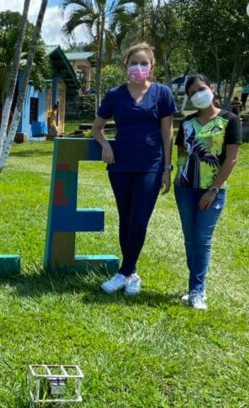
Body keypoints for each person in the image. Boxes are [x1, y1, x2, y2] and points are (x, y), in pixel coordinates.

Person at [92, 42, 176, 296]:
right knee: (126, 219)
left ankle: (123, 272)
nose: (138, 68)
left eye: (143, 63)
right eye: (133, 63)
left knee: (140, 220)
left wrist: (167, 167)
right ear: (125, 66)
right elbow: (97, 128)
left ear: (151, 67)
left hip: (150, 165)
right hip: (121, 166)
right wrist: (105, 145)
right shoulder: (115, 95)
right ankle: (132, 273)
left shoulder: (162, 93)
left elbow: (167, 132)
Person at [174, 74, 241, 311]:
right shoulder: (186, 123)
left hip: (212, 191)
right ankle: (194, 286)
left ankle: (197, 291)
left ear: (211, 88)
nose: (197, 95)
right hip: (184, 189)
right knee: (190, 239)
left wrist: (213, 189)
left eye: (200, 89)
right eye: (191, 93)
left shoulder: (229, 120)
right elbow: (182, 152)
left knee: (202, 238)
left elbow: (231, 158)